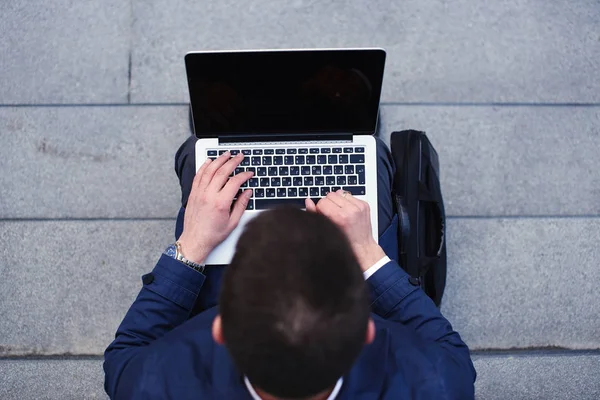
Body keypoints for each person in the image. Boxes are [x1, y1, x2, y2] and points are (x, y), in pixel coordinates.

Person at [103, 136, 476, 399]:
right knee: (373, 153)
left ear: (219, 330)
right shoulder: (438, 385)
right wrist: (367, 253)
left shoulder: (153, 385)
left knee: (196, 156)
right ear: (366, 332)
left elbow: (126, 355)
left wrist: (194, 243)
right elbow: (449, 351)